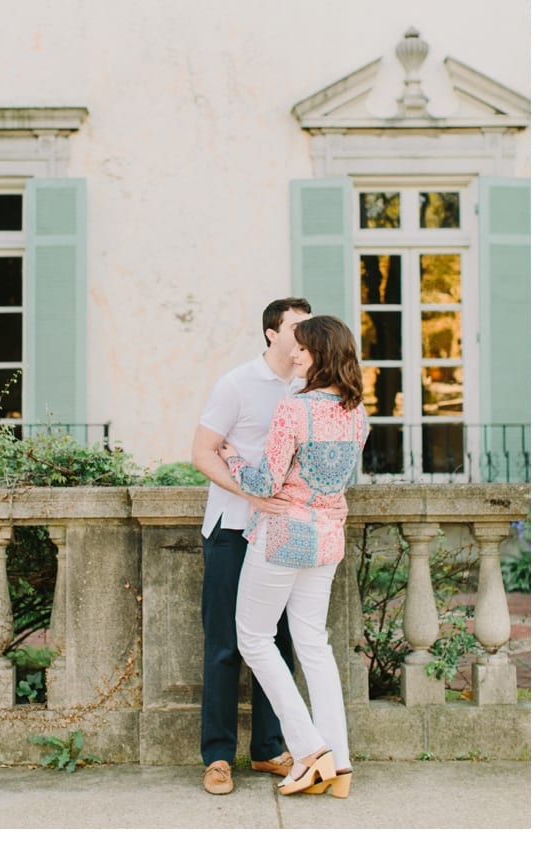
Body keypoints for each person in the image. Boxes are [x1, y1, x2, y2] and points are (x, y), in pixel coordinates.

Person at [221, 315, 370, 798]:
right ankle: (340, 763)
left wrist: (232, 459)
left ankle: (309, 750)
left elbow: (265, 483)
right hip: (327, 538)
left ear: (321, 354)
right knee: (313, 645)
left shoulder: (294, 409)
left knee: (254, 639)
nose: (295, 355)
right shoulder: (357, 413)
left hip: (285, 536)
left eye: (303, 350)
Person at [189, 297, 310, 795]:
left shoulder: (310, 386)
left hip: (284, 535)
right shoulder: (236, 384)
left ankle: (269, 749)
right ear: (271, 333)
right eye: (297, 326)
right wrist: (254, 494)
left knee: (278, 642)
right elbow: (201, 452)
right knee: (223, 646)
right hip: (232, 529)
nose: (306, 333)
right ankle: (218, 757)